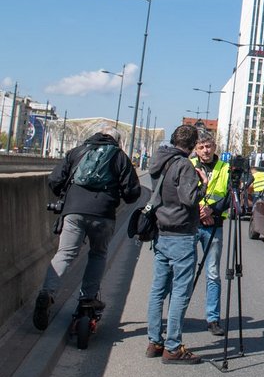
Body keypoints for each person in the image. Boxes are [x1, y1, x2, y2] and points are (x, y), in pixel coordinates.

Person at [33, 126, 141, 331]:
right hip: (103, 214)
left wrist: (67, 197)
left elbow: (55, 180)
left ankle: (48, 292)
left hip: (73, 211)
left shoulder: (78, 151)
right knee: (98, 255)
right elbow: (132, 192)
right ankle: (87, 300)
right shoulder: (119, 157)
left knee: (65, 253)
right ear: (117, 141)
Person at [146, 124, 205, 364]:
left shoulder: (159, 161)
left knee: (158, 290)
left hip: (161, 231)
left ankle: (154, 341)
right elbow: (189, 200)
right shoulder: (184, 165)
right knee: (180, 291)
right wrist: (203, 184)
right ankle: (173, 347)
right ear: (192, 146)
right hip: (181, 233)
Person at [190, 130, 230, 337]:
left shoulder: (225, 168)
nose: (206, 150)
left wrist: (211, 210)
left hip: (214, 225)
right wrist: (199, 210)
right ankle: (178, 315)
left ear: (215, 147)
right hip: (192, 224)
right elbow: (182, 194)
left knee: (213, 273)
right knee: (185, 272)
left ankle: (213, 318)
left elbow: (230, 198)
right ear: (196, 149)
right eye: (201, 147)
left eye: (209, 146)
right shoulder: (189, 166)